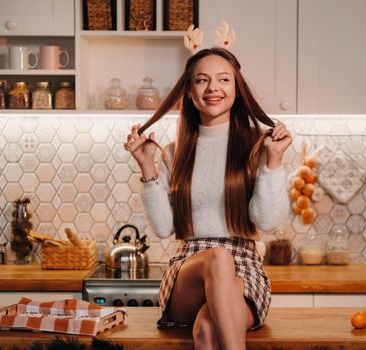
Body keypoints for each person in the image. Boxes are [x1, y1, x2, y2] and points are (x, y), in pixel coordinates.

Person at [124, 46, 292, 349]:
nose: (213, 88)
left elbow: (267, 221)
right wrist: (147, 164)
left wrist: (274, 161)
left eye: (224, 80)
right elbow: (164, 228)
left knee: (207, 330)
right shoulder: (176, 152)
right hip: (189, 266)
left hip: (245, 267)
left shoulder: (259, 146)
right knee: (217, 258)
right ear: (189, 91)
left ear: (237, 89)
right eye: (202, 80)